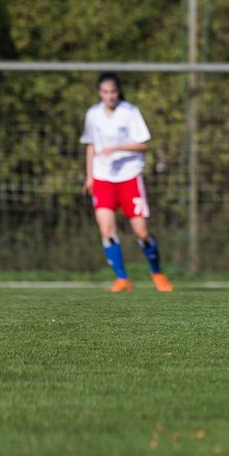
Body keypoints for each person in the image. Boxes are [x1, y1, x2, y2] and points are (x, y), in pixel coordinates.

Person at [80, 72, 173, 292]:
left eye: (113, 92)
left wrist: (118, 148)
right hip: (103, 177)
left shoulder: (129, 112)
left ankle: (157, 273)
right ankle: (122, 279)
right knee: (107, 231)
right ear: (99, 93)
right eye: (105, 92)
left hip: (129, 176)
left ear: (118, 91)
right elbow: (91, 145)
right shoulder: (93, 114)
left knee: (141, 232)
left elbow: (143, 144)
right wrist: (89, 175)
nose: (109, 96)